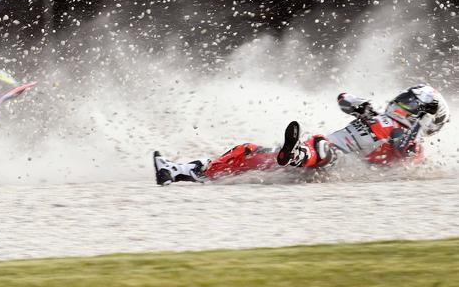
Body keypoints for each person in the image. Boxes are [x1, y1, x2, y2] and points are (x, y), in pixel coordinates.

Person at [154, 85, 450, 185]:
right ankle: (177, 171)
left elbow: (407, 168)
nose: (402, 103)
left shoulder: (413, 144)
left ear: (425, 116)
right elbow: (342, 97)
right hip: (316, 159)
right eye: (405, 98)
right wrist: (361, 106)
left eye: (411, 103)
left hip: (339, 168)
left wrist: (408, 142)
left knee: (322, 148)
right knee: (248, 152)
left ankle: (297, 154)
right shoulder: (375, 115)